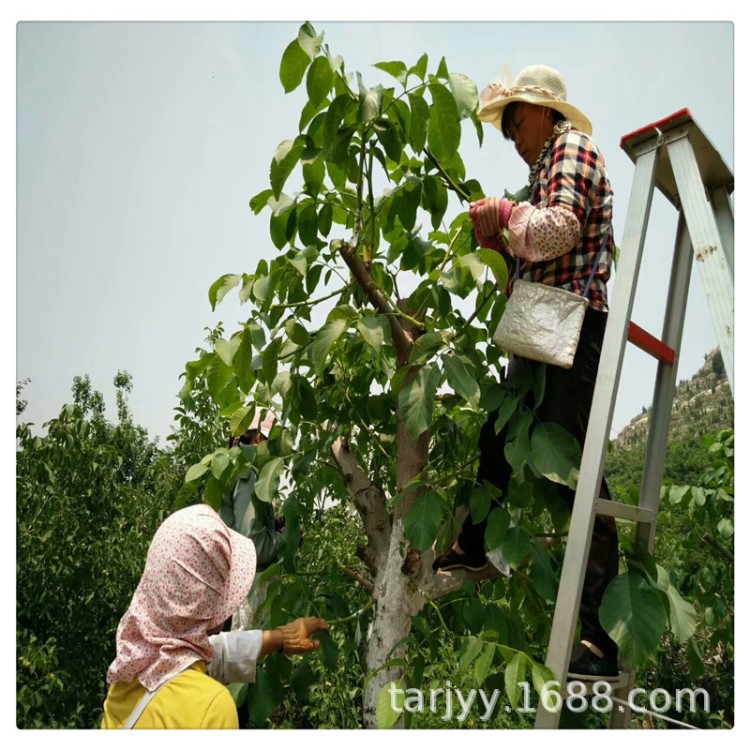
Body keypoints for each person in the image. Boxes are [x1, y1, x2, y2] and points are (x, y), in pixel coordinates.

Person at [432, 65, 620, 680]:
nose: (513, 134)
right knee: (497, 429)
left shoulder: (573, 147)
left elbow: (559, 230)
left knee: (577, 475)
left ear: (546, 111)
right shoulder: (542, 166)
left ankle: (599, 638)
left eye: (517, 120)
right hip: (541, 327)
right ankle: (476, 543)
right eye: (508, 125)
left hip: (570, 328)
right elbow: (527, 252)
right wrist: (497, 233)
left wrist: (508, 213)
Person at [101, 504, 329, 729]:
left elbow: (211, 653)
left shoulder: (131, 670)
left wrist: (281, 637)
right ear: (210, 607)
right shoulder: (211, 709)